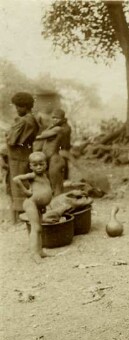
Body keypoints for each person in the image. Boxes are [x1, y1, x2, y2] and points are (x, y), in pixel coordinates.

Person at [13, 152, 53, 262]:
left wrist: (44, 204)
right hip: (31, 204)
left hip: (38, 205)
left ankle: (39, 251)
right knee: (36, 228)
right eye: (35, 165)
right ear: (30, 166)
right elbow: (16, 179)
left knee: (40, 228)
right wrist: (25, 191)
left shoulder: (44, 175)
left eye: (41, 164)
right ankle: (34, 253)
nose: (39, 167)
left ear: (46, 164)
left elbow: (44, 188)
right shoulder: (32, 175)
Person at [6, 92, 40, 224]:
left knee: (19, 185)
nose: (16, 110)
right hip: (25, 155)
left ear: (25, 106)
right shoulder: (33, 120)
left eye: (18, 107)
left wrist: (7, 133)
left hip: (18, 158)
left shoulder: (24, 121)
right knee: (25, 184)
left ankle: (23, 217)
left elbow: (11, 140)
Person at [33, 108, 71, 196]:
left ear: (62, 119)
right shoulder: (54, 127)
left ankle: (59, 203)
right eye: (53, 118)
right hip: (50, 159)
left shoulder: (58, 129)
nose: (54, 120)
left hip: (55, 159)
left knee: (56, 185)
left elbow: (42, 135)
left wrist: (50, 126)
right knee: (51, 183)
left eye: (56, 118)